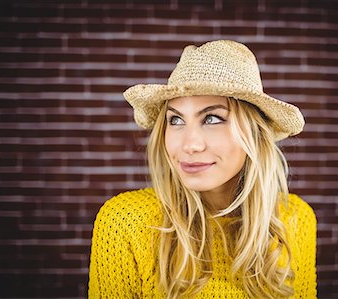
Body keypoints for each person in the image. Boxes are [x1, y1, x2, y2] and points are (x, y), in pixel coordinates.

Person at [88, 40, 317, 298]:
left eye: (211, 118)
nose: (189, 144)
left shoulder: (295, 220)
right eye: (175, 120)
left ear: (254, 134)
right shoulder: (126, 223)